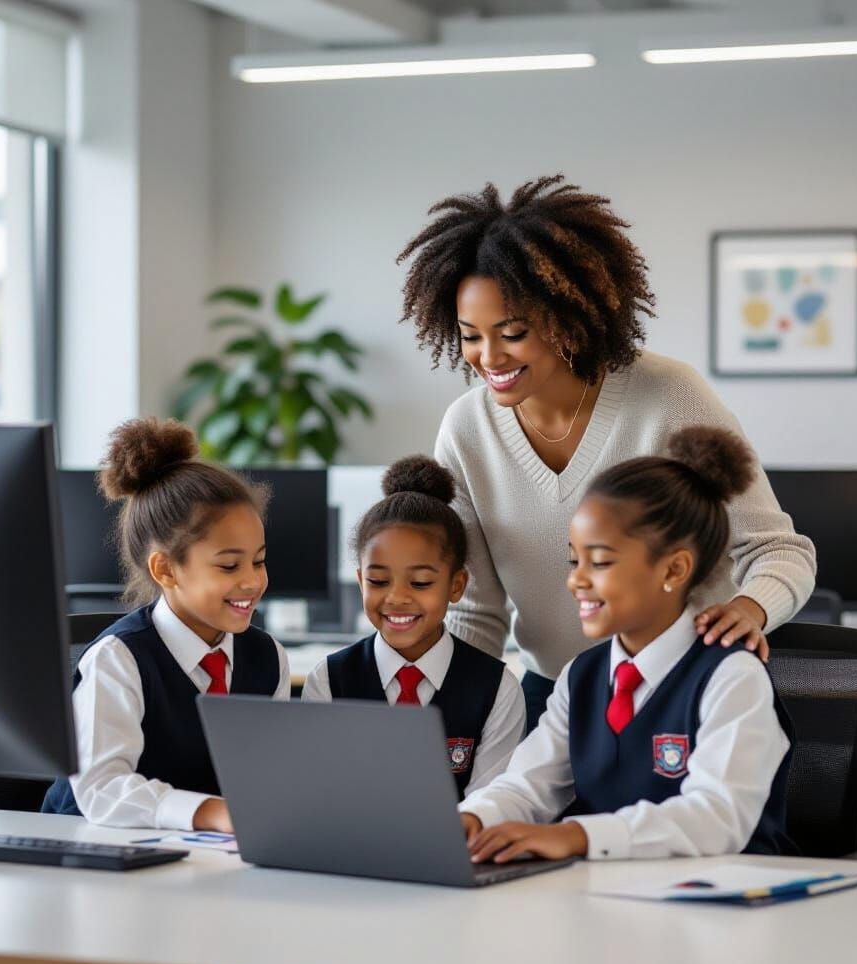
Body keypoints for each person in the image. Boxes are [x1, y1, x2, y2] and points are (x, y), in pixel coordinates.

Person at [397, 175, 816, 732]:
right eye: (471, 335)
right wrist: (450, 724)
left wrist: (750, 608)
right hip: (552, 699)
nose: (488, 356)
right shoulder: (466, 428)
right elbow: (478, 610)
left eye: (513, 332)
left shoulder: (669, 395)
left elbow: (780, 551)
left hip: (681, 689)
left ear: (567, 317)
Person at [459, 426, 796, 863]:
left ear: (674, 570)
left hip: (725, 906)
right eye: (573, 560)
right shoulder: (580, 675)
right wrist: (474, 818)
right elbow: (528, 784)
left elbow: (717, 817)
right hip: (610, 900)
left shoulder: (732, 676)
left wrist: (578, 837)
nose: (576, 580)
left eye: (599, 562)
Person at [42, 417, 291, 831]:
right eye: (229, 565)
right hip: (89, 854)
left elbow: (269, 776)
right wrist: (216, 813)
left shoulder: (267, 658)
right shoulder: (118, 660)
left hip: (202, 861)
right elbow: (102, 788)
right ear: (166, 570)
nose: (252, 580)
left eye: (259, 561)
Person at [302, 455, 525, 798]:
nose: (397, 598)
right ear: (361, 581)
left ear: (456, 585)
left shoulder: (497, 690)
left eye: (420, 583)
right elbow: (319, 791)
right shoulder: (329, 681)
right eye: (378, 581)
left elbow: (488, 805)